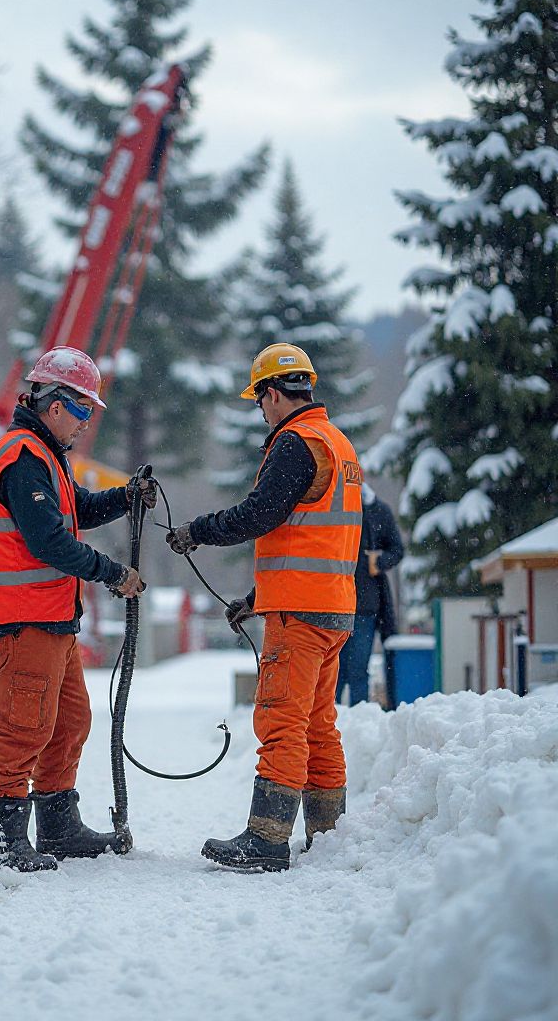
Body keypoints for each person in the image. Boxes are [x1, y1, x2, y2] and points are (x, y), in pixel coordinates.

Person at [166, 342, 362, 873]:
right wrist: (257, 600)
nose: (262, 411)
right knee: (317, 723)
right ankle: (329, 832)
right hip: (333, 609)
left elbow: (261, 514)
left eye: (260, 401)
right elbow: (312, 540)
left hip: (301, 616)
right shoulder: (337, 444)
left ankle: (268, 839)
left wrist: (197, 532)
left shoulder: (296, 442)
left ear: (273, 395)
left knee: (280, 717)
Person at [0, 346, 154, 872]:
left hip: (49, 620)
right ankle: (3, 833)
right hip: (21, 618)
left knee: (70, 720)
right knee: (25, 725)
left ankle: (57, 824)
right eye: (82, 411)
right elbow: (49, 541)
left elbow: (78, 510)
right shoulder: (24, 457)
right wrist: (114, 574)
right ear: (56, 404)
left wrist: (127, 496)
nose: (84, 424)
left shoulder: (45, 455)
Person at [336, 484, 404, 707]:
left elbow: (397, 549)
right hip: (334, 604)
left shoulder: (376, 510)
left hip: (365, 605)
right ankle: (325, 722)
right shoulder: (333, 507)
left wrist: (379, 561)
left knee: (356, 669)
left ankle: (358, 718)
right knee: (333, 671)